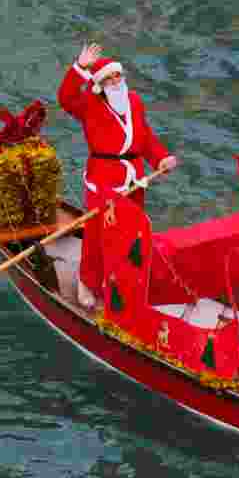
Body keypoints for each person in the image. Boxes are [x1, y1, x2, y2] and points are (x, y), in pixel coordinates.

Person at [57, 42, 177, 310]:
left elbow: (144, 137)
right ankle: (87, 281)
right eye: (109, 78)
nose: (115, 80)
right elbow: (65, 98)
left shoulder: (134, 101)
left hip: (134, 179)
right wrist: (80, 68)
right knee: (99, 234)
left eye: (118, 75)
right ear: (99, 83)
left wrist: (161, 158)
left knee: (129, 234)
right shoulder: (89, 104)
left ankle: (119, 283)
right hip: (103, 179)